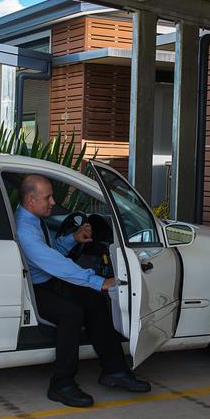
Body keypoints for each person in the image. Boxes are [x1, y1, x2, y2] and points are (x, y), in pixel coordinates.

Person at [15, 174, 150, 407]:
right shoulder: (25, 230)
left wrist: (73, 238)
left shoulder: (33, 219)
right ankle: (62, 384)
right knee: (72, 313)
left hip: (47, 281)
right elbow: (52, 262)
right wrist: (97, 280)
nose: (53, 202)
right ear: (30, 200)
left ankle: (114, 370)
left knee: (94, 301)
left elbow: (51, 253)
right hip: (35, 289)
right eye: (47, 197)